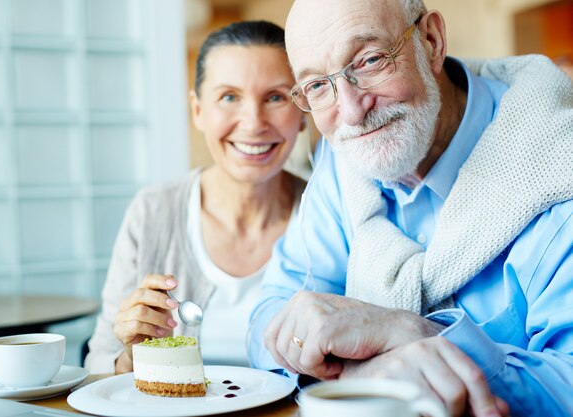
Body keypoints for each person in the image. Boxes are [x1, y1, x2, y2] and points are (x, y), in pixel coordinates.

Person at [248, 1, 573, 417]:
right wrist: (368, 370)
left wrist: (414, 334)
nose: (350, 112)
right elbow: (270, 315)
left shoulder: (556, 163)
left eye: (369, 60)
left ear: (432, 41)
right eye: (316, 86)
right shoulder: (343, 160)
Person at [85, 20, 307, 374]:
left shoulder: (329, 212)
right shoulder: (154, 211)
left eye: (276, 97)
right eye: (229, 97)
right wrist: (131, 355)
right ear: (198, 110)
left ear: (303, 111)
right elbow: (98, 365)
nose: (253, 123)